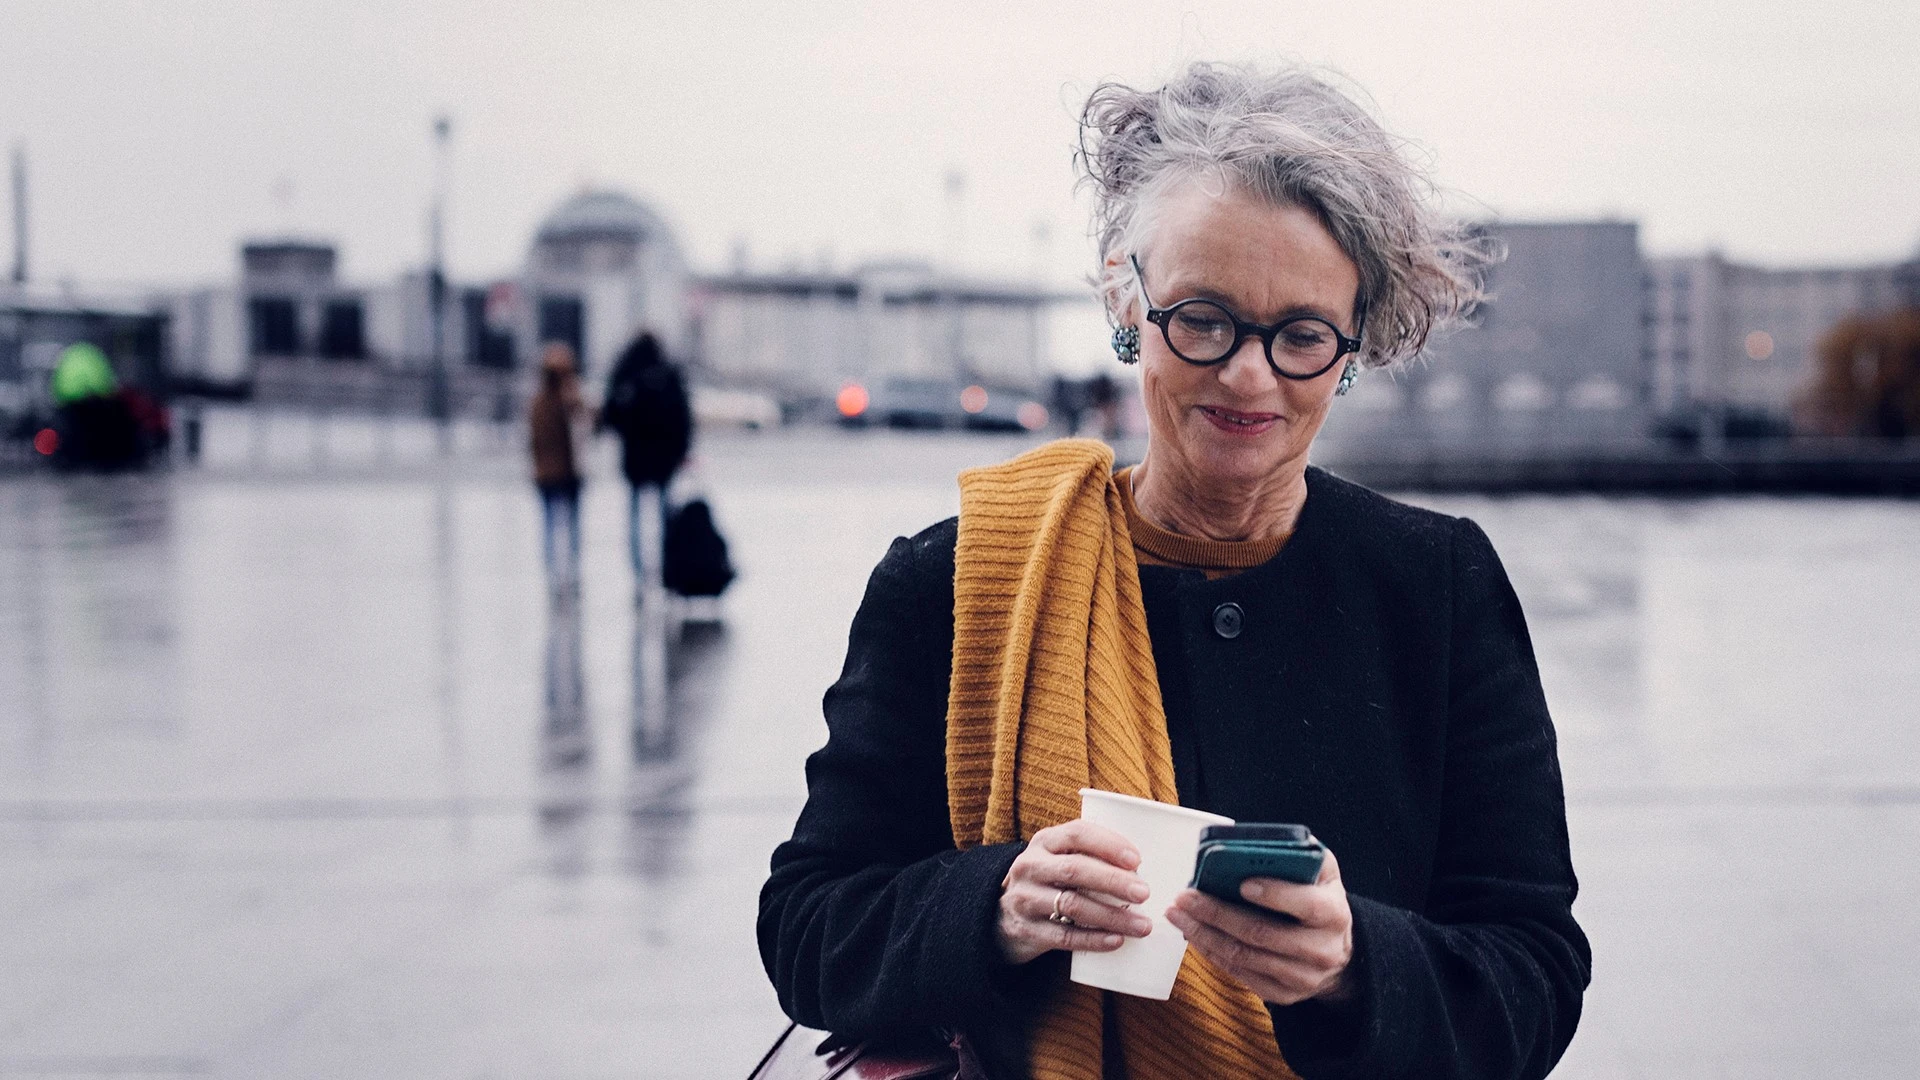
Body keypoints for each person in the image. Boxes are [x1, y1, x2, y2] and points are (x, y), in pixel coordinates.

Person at [759, 62, 1588, 1080]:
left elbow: (1536, 977)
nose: (1249, 373)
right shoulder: (957, 578)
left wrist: (1353, 964)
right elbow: (806, 928)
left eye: (1301, 335)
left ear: (1352, 345)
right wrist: (999, 907)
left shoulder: (1436, 586)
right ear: (1125, 298)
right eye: (1204, 317)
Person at [597, 332, 692, 592]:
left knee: (635, 518)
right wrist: (683, 450)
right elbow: (682, 416)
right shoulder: (668, 373)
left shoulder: (626, 373)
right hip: (664, 459)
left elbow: (609, 415)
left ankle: (639, 575)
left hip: (636, 458)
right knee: (664, 517)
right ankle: (663, 570)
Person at [528, 342, 584, 592]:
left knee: (550, 524)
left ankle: (555, 570)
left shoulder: (538, 403)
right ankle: (569, 569)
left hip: (546, 473)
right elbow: (581, 433)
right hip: (567, 473)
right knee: (568, 524)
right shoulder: (568, 401)